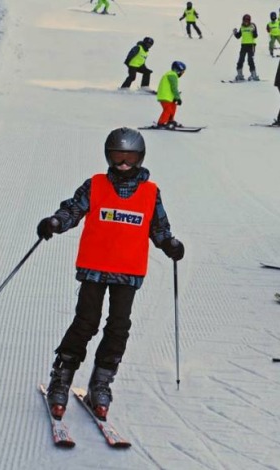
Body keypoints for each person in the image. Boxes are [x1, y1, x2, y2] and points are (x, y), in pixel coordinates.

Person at [38, 127, 185, 420]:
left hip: (127, 270)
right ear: (108, 156)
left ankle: (101, 381)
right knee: (86, 322)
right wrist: (55, 222)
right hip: (94, 266)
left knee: (119, 326)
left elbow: (158, 228)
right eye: (117, 156)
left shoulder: (150, 192)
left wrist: (169, 243)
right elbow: (73, 210)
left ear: (140, 157)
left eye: (129, 156)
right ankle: (62, 376)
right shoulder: (95, 185)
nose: (123, 163)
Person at [156, 61, 186, 129]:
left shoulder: (171, 74)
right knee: (168, 110)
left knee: (173, 107)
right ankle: (161, 123)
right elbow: (174, 87)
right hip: (165, 96)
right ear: (178, 70)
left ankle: (170, 121)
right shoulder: (172, 75)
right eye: (182, 72)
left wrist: (175, 97)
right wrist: (178, 97)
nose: (182, 74)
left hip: (169, 96)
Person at [233, 14, 259, 81]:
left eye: (247, 20)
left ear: (249, 20)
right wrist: (235, 33)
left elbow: (255, 36)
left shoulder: (252, 26)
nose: (246, 22)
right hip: (244, 45)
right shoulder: (242, 27)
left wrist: (253, 31)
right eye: (245, 20)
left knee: (250, 60)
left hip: (251, 45)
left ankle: (254, 75)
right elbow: (238, 36)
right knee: (241, 60)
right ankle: (240, 74)